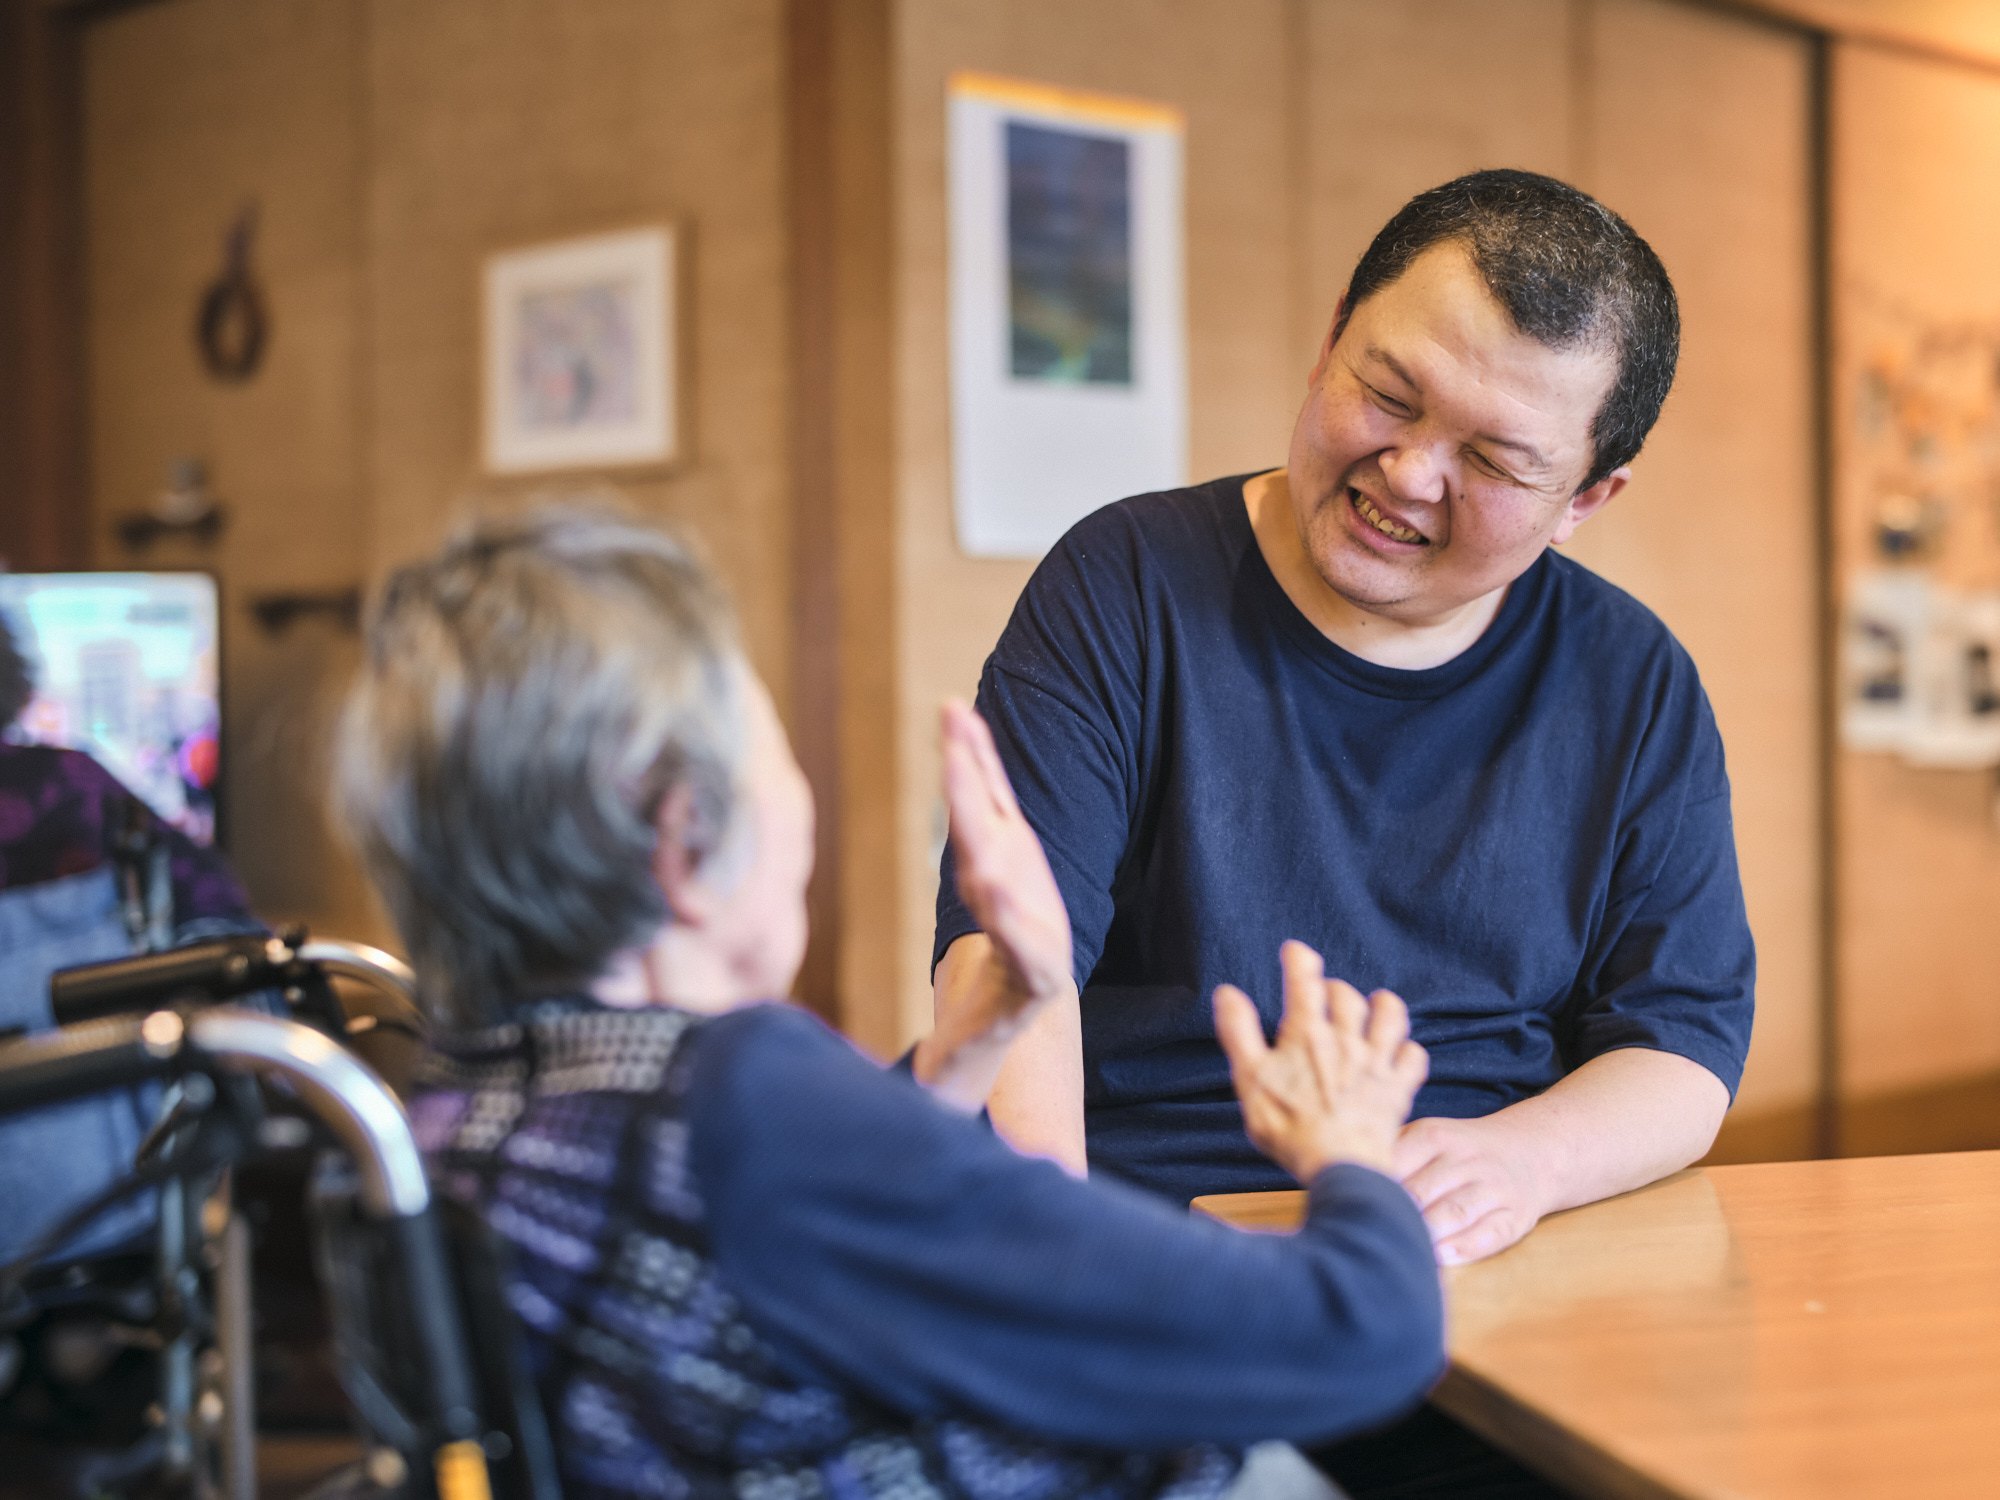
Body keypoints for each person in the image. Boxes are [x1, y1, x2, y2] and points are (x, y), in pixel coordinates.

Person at [333, 505, 1447, 1500]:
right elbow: (1355, 1336)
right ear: (683, 841)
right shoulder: (746, 1101)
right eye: (768, 741)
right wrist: (1349, 1155)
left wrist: (967, 1047)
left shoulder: (448, 1125)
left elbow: (780, 1249)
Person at [930, 168, 1754, 1270]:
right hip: (1158, 1234)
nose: (1409, 475)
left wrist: (1519, 1163)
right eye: (1388, 396)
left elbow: (1681, 1046)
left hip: (1474, 1261)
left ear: (1585, 500)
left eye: (1494, 461)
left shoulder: (1632, 680)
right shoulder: (1124, 585)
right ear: (1330, 342)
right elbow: (1007, 965)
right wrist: (1062, 1276)